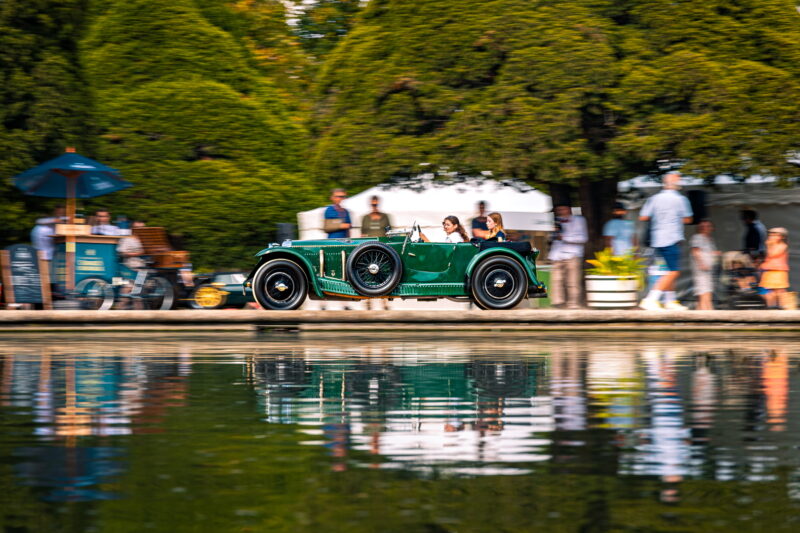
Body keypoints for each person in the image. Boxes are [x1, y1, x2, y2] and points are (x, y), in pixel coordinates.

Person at [638, 172, 693, 311]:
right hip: (671, 237)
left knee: (667, 271)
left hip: (656, 239)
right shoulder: (680, 200)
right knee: (674, 271)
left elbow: (644, 217)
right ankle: (651, 299)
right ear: (675, 184)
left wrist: (659, 218)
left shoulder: (654, 198)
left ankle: (670, 300)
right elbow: (688, 219)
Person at [548, 204, 588, 309]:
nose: (560, 211)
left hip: (573, 254)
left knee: (572, 281)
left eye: (562, 209)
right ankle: (558, 303)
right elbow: (552, 238)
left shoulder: (579, 220)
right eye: (558, 210)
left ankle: (573, 303)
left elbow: (583, 238)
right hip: (557, 254)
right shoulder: (556, 221)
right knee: (556, 280)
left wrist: (564, 237)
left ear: (569, 209)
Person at [690, 220, 719, 310]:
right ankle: (709, 314)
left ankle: (698, 318)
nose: (705, 228)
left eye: (708, 226)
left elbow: (706, 252)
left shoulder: (709, 239)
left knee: (705, 293)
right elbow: (695, 251)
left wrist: (714, 254)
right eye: (703, 226)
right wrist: (701, 264)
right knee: (705, 293)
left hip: (709, 271)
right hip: (701, 271)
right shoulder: (698, 237)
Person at [759, 227, 790, 308]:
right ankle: (771, 308)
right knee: (769, 292)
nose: (771, 236)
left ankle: (783, 309)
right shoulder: (772, 244)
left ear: (782, 237)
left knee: (780, 291)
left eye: (775, 235)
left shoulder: (783, 246)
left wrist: (770, 244)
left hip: (778, 271)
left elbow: (772, 254)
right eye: (771, 235)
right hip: (769, 271)